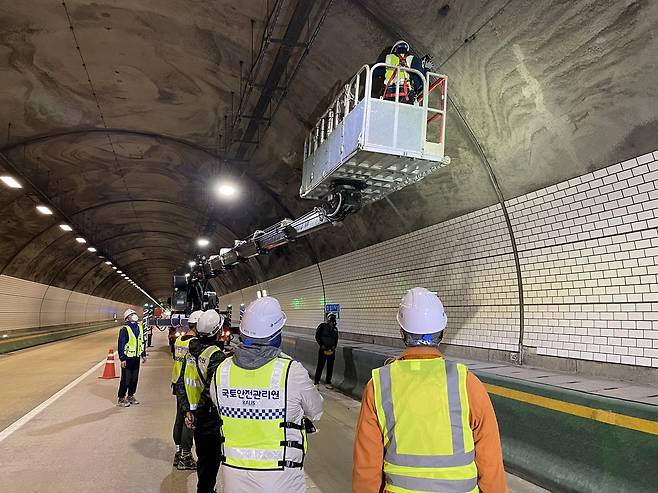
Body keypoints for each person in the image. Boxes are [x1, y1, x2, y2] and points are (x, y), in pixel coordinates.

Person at [352, 287, 509, 493]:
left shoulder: (379, 385)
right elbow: (491, 461)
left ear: (402, 332)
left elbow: (367, 467)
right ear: (441, 332)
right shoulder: (467, 383)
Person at [210, 296, 324, 493]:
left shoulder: (222, 371)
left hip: (233, 474)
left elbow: (220, 406)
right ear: (276, 333)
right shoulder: (291, 372)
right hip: (281, 475)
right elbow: (316, 411)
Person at [184, 310, 230, 493]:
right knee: (211, 461)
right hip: (208, 418)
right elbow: (211, 392)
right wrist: (199, 415)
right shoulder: (216, 355)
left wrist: (188, 410)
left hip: (194, 412)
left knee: (203, 460)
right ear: (217, 331)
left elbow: (183, 382)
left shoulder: (192, 349)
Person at [171, 310, 203, 470]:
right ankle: (185, 456)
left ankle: (178, 453)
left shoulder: (179, 341)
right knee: (189, 421)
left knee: (179, 419)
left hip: (177, 383)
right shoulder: (195, 343)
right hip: (190, 388)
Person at [117, 308, 146, 407]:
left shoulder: (140, 327)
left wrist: (143, 354)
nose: (134, 315)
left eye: (134, 313)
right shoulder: (125, 329)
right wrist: (122, 358)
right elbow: (121, 344)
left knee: (134, 378)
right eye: (131, 314)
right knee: (126, 379)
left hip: (136, 357)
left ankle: (130, 395)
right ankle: (121, 398)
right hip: (128, 358)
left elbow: (142, 341)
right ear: (127, 318)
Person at [314, 313, 339, 388]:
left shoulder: (335, 329)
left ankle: (328, 382)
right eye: (331, 321)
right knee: (320, 366)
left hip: (331, 350)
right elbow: (317, 336)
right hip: (323, 350)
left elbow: (336, 339)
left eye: (333, 322)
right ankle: (316, 382)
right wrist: (321, 345)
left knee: (330, 367)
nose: (332, 323)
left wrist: (334, 346)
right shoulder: (322, 326)